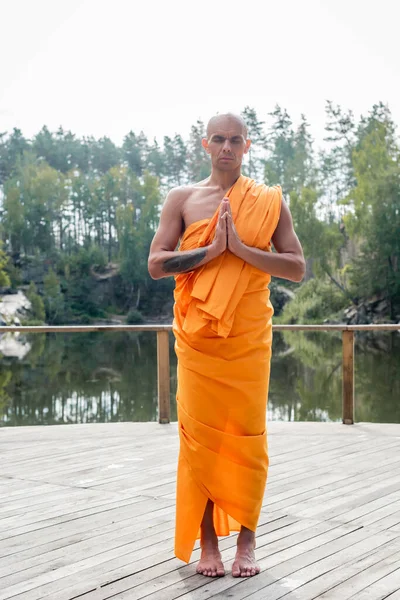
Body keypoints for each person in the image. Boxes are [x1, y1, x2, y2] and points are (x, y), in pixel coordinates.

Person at [148, 113, 305, 578]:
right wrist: (210, 252)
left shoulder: (269, 201)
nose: (227, 147)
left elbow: (295, 267)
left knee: (248, 438)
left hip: (248, 338)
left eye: (236, 140)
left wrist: (239, 249)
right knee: (198, 439)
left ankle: (248, 542)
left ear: (247, 146)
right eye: (219, 139)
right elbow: (156, 264)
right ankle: (210, 544)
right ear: (205, 144)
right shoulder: (183, 199)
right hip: (198, 341)